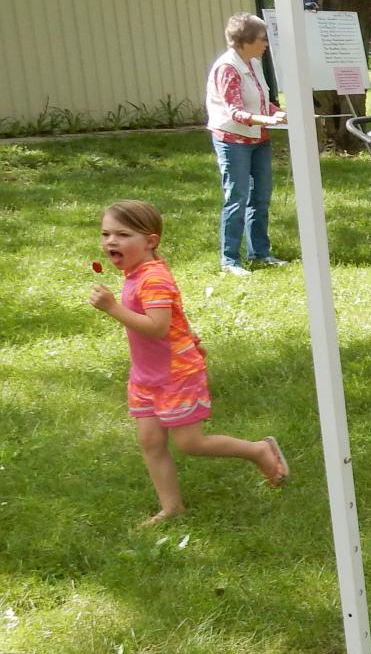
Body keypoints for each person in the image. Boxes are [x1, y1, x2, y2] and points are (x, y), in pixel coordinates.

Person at [91, 200, 289, 524]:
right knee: (150, 441)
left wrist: (112, 308)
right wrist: (192, 338)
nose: (111, 242)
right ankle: (172, 508)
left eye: (122, 234)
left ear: (150, 241)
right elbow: (175, 318)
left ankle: (258, 451)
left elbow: (158, 327)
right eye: (106, 234)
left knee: (191, 443)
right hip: (146, 375)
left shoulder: (152, 279)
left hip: (175, 373)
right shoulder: (136, 271)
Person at [204, 12, 287, 277]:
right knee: (237, 198)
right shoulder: (227, 67)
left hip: (258, 138)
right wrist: (269, 119)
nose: (266, 44)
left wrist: (278, 112)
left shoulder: (254, 62)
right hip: (233, 140)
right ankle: (230, 259)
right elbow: (235, 113)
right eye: (263, 38)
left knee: (261, 197)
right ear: (246, 40)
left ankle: (260, 253)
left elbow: (261, 100)